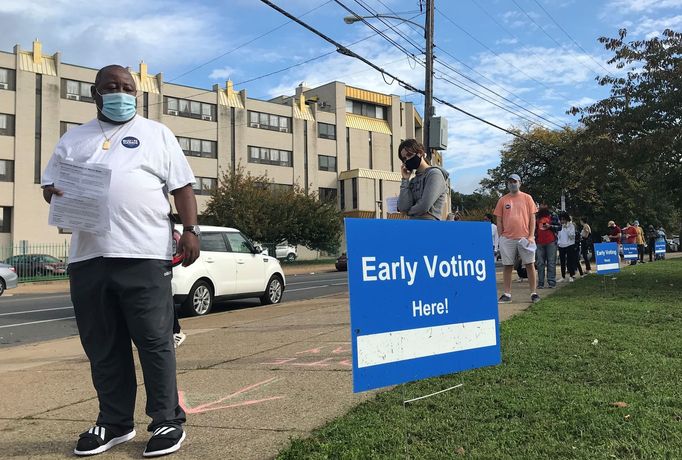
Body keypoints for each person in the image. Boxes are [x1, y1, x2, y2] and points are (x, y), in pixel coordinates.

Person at [41, 65, 199, 457]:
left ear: (136, 93)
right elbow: (50, 187)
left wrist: (191, 230)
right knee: (103, 344)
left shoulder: (157, 134)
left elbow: (182, 188)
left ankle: (166, 419)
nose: (120, 92)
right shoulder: (73, 139)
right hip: (88, 256)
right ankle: (114, 422)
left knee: (153, 341)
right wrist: (55, 193)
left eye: (127, 87)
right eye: (111, 86)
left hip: (144, 254)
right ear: (95, 93)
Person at [493, 174, 539, 303]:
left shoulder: (527, 198)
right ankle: (507, 294)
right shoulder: (503, 200)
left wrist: (531, 235)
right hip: (507, 238)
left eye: (514, 181)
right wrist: (501, 236)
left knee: (530, 264)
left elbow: (532, 218)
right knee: (507, 265)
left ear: (519, 183)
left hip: (525, 238)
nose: (512, 184)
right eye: (510, 182)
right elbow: (499, 219)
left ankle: (533, 293)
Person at [397, 139, 449, 220]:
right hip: (412, 226)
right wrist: (405, 180)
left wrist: (407, 212)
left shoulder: (434, 174)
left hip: (429, 226)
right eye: (404, 159)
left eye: (409, 155)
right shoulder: (413, 181)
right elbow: (402, 207)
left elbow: (424, 206)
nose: (407, 160)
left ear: (420, 153)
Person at [534, 204, 560, 288]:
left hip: (551, 242)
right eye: (541, 206)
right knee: (540, 263)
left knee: (551, 262)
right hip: (539, 242)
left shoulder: (552, 215)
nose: (542, 207)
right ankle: (540, 283)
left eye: (544, 205)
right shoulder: (536, 216)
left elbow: (560, 227)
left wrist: (550, 226)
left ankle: (551, 282)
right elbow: (533, 228)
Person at [557, 212, 578, 282]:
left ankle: (571, 275)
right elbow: (559, 236)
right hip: (561, 245)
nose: (562, 221)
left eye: (563, 219)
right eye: (561, 219)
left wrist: (566, 229)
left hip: (569, 245)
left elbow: (572, 236)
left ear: (566, 219)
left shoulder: (571, 226)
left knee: (570, 261)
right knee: (562, 262)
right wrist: (559, 243)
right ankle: (563, 276)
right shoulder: (560, 226)